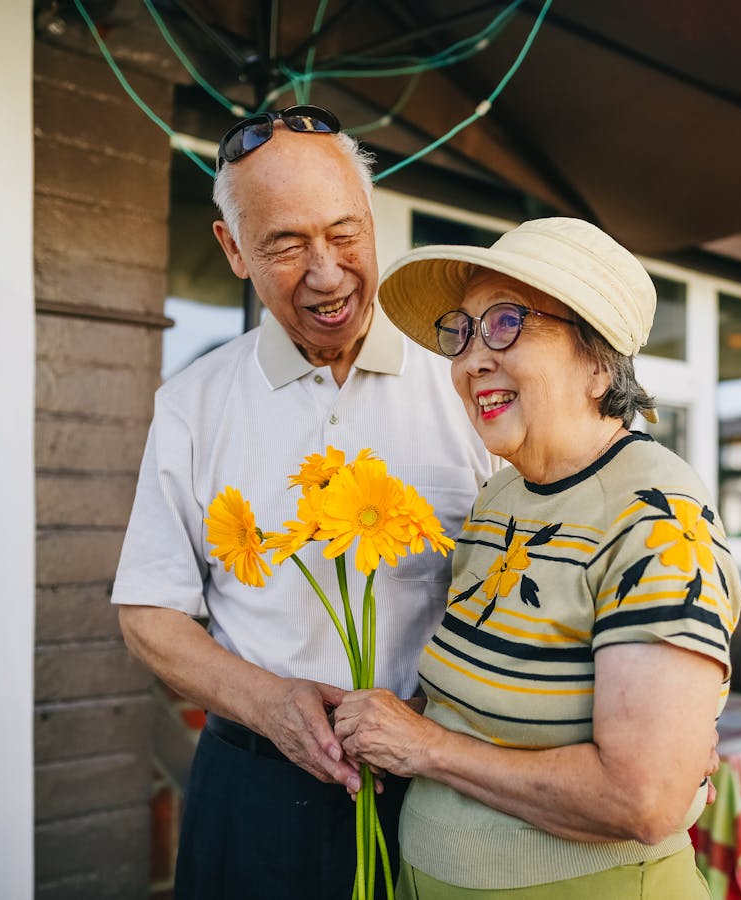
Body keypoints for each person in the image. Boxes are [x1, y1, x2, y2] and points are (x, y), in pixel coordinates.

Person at [110, 104, 491, 898]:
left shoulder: (469, 383)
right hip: (252, 791)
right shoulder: (192, 403)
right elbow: (148, 613)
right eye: (285, 245)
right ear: (233, 249)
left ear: (373, 220)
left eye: (344, 233)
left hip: (441, 789)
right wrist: (268, 703)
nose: (326, 273)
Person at [333, 217, 741, 898]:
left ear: (597, 361)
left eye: (505, 323)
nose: (470, 360)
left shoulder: (655, 516)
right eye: (462, 332)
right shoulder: (500, 497)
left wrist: (424, 747)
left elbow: (643, 800)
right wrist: (386, 721)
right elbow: (485, 705)